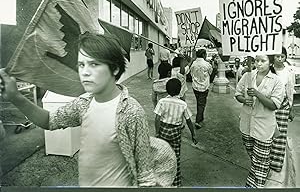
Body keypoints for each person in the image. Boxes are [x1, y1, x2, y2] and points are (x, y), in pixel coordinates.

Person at [0, 32, 158, 187]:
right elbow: (49, 120)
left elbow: (146, 175)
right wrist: (16, 97)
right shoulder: (84, 104)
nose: (85, 72)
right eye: (81, 64)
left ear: (115, 69)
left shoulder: (132, 112)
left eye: (94, 64)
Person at [235, 55, 285, 188]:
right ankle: (261, 174)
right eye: (257, 61)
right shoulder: (247, 76)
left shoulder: (276, 81)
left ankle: (255, 185)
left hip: (264, 127)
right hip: (246, 123)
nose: (259, 64)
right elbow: (238, 94)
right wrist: (244, 100)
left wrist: (257, 94)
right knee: (254, 156)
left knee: (261, 160)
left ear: (270, 62)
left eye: (263, 61)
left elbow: (274, 105)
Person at [154, 78, 197, 187]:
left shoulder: (162, 101)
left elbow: (157, 118)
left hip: (163, 130)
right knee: (175, 157)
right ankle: (176, 183)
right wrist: (193, 134)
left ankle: (162, 181)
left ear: (167, 90)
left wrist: (157, 133)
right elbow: (188, 121)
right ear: (179, 90)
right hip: (176, 133)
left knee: (162, 155)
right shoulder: (183, 104)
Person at [270, 47, 295, 173]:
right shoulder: (268, 69)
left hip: (283, 106)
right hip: (269, 105)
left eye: (283, 56)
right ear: (273, 57)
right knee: (268, 132)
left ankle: (276, 163)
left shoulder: (289, 72)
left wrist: (290, 108)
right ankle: (267, 159)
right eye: (277, 56)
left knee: (281, 134)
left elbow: (290, 91)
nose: (280, 59)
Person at [190, 49, 212, 129]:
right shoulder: (207, 64)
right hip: (204, 87)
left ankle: (201, 118)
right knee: (201, 104)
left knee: (199, 103)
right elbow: (211, 72)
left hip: (195, 86)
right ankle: (198, 121)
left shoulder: (193, 64)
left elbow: (191, 73)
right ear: (203, 55)